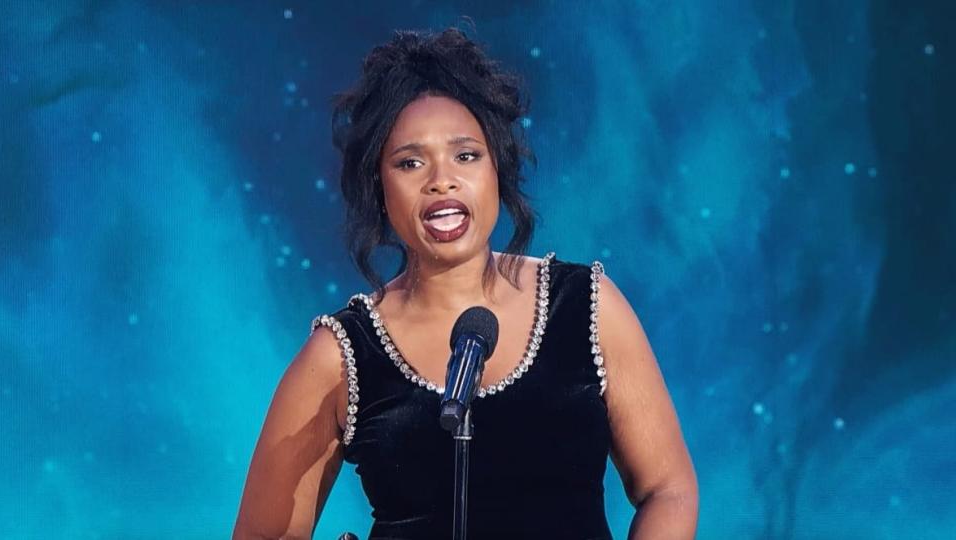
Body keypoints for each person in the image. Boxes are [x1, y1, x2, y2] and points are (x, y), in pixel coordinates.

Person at [233, 26, 698, 540]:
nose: (441, 179)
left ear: (498, 167)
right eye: (410, 162)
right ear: (378, 185)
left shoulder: (586, 306)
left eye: (466, 155)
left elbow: (667, 488)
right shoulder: (341, 355)